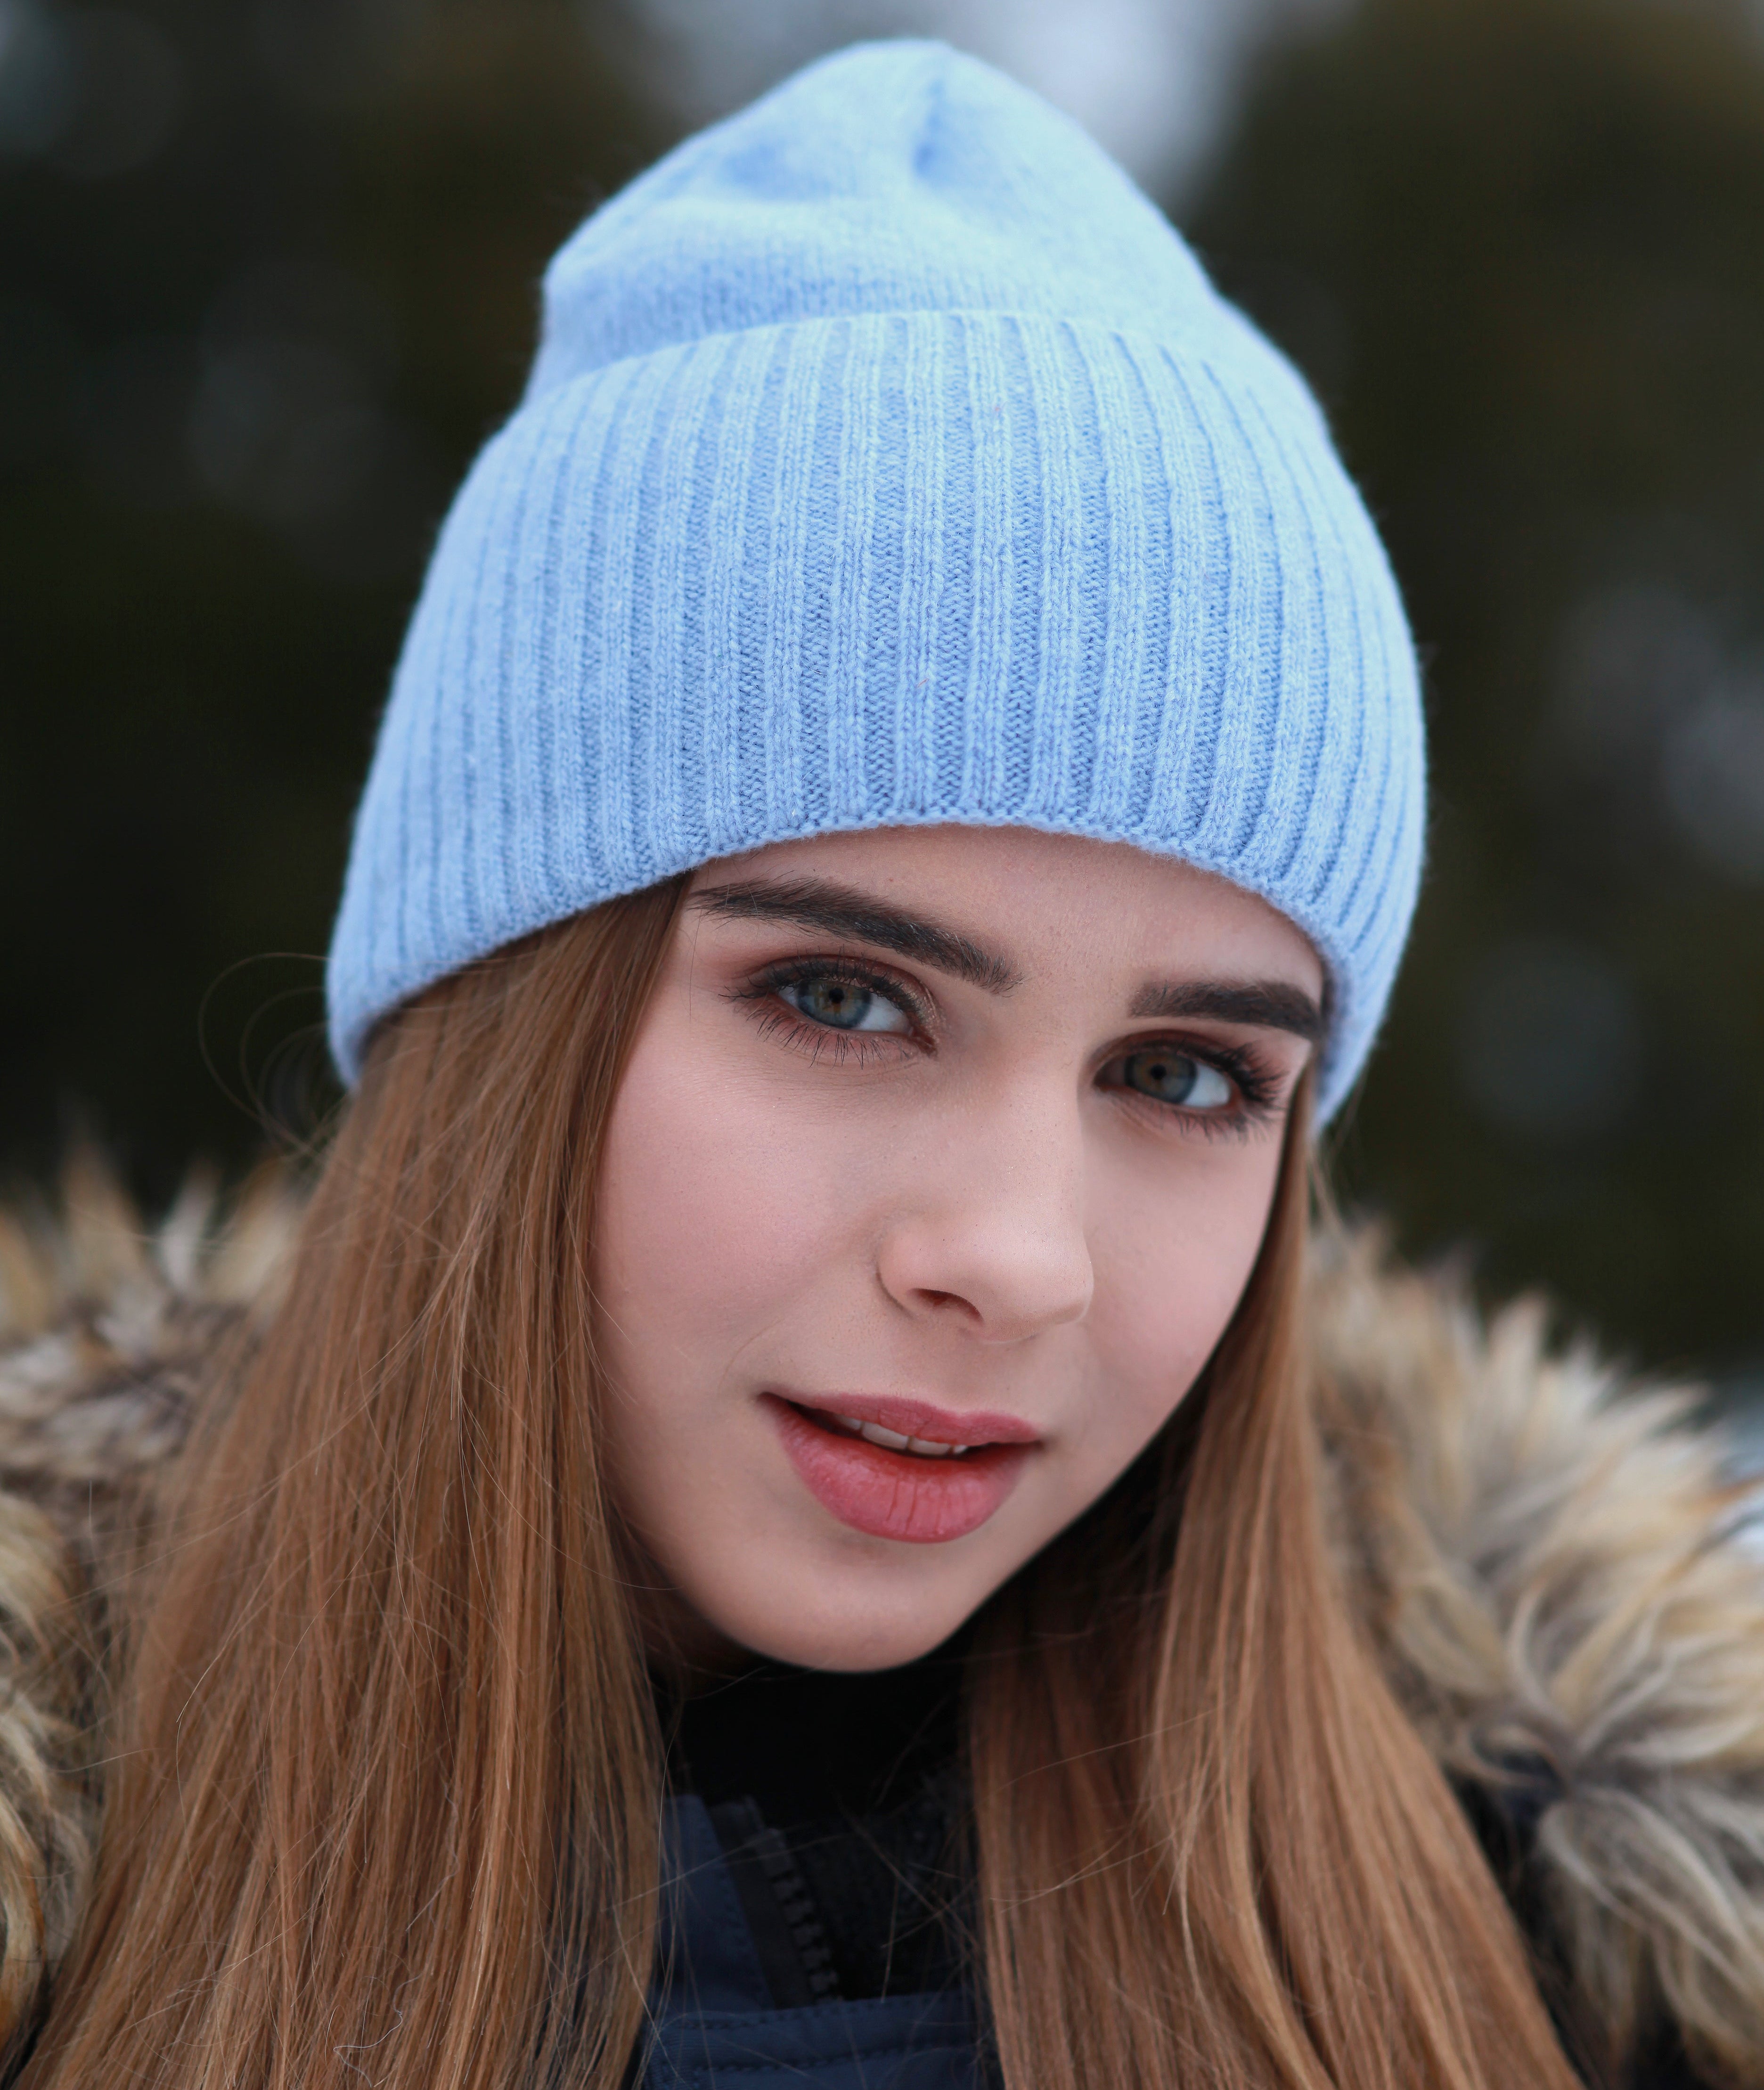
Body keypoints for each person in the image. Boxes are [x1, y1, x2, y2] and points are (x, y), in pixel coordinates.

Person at [0, 39, 1760, 2090]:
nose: (1014, 1257)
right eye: (843, 998)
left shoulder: (1606, 1986)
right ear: (500, 1016)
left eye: (1187, 1075)